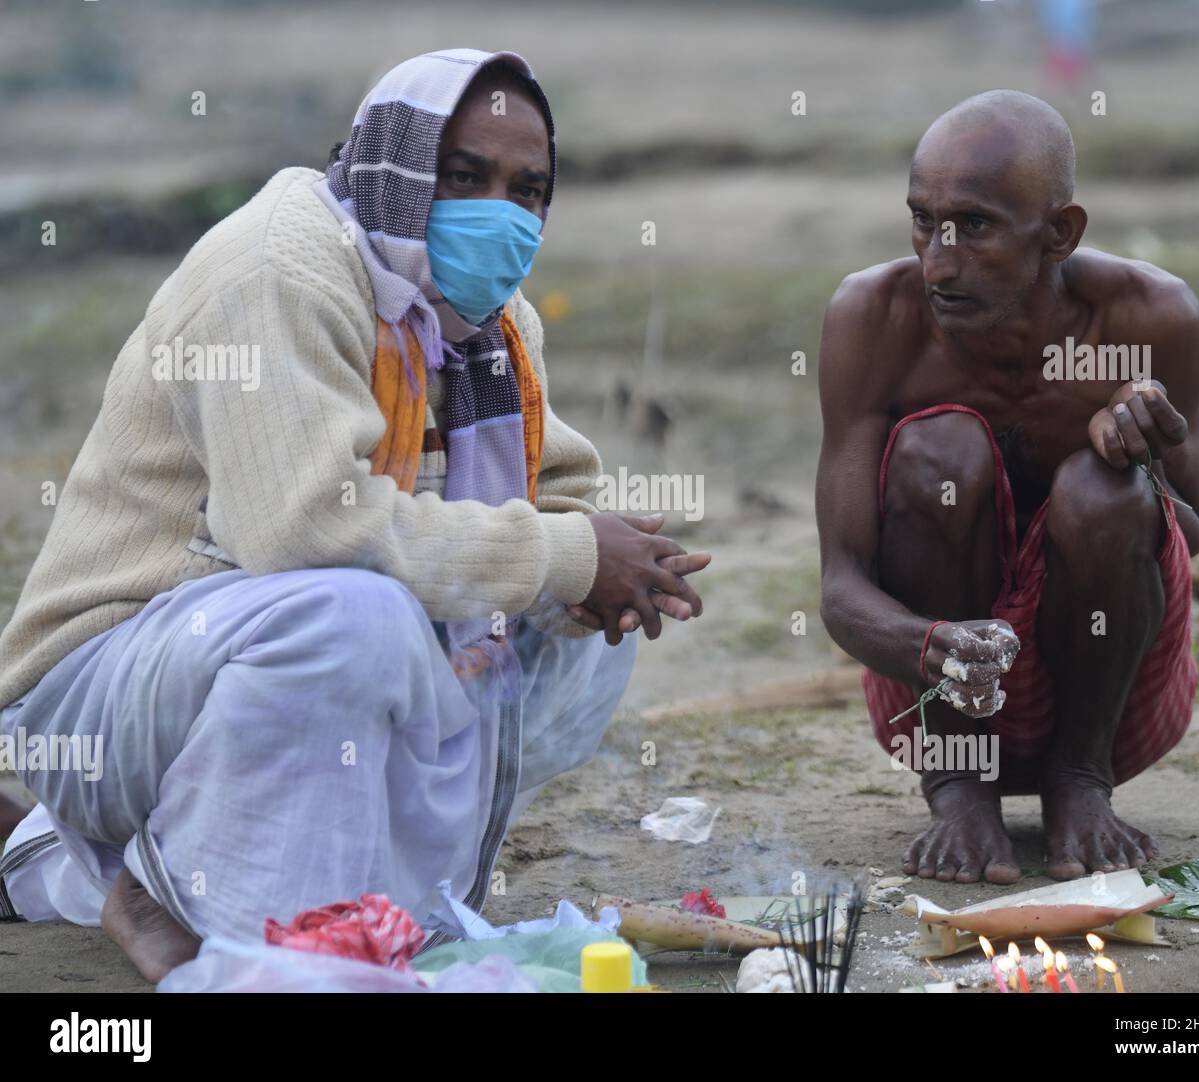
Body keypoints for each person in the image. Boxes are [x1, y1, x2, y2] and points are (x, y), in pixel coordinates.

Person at [0, 48, 708, 982]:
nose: (500, 210)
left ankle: (338, 890)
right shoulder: (280, 270)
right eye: (465, 175)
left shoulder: (485, 319)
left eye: (527, 188)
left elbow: (552, 488)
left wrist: (609, 567)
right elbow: (304, 531)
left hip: (254, 668)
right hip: (98, 694)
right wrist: (567, 552)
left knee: (572, 621)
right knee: (356, 615)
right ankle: (169, 890)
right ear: (396, 164)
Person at [816, 90, 1199, 885]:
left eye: (976, 226)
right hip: (933, 694)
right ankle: (959, 790)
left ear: (1060, 233)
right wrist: (932, 647)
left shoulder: (1151, 318)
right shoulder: (872, 317)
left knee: (1103, 487)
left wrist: (1135, 452)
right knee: (938, 450)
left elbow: (1191, 532)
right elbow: (841, 587)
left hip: (1109, 696)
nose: (938, 261)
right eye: (923, 220)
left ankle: (1080, 785)